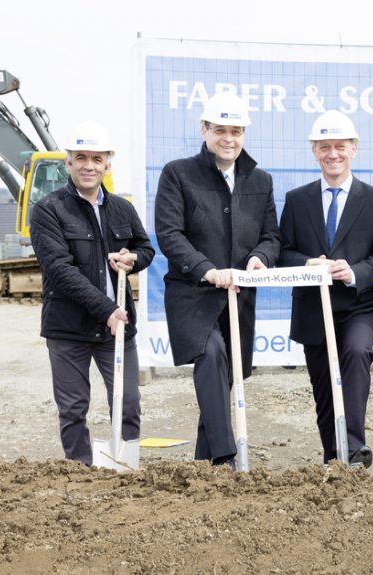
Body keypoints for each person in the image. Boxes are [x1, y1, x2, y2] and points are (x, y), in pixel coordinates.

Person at [155, 91, 281, 469]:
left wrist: (260, 258)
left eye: (236, 131)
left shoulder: (260, 180)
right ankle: (225, 457)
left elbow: (271, 237)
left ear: (244, 134)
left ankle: (203, 466)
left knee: (222, 379)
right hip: (193, 294)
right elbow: (170, 234)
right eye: (220, 130)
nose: (229, 138)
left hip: (238, 297)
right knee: (211, 355)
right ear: (204, 130)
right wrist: (206, 269)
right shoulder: (178, 174)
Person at [278, 110, 373, 468]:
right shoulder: (297, 200)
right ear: (314, 151)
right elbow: (282, 251)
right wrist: (306, 264)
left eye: (340, 146)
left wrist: (354, 272)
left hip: (359, 305)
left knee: (356, 353)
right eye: (325, 147)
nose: (333, 154)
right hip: (313, 309)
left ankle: (354, 449)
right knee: (324, 388)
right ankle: (334, 458)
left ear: (354, 149)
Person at [30, 121, 154, 466]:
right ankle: (79, 470)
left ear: (107, 165)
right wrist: (106, 309)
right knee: (73, 407)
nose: (89, 165)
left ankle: (125, 465)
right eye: (81, 157)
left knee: (128, 401)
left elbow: (145, 248)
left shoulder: (122, 209)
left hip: (117, 328)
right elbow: (59, 269)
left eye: (97, 159)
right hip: (68, 327)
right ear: (68, 163)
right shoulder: (48, 210)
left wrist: (133, 258)